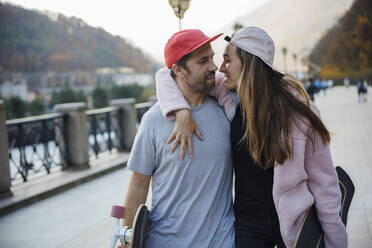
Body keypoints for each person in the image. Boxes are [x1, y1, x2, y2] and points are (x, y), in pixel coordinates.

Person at [156, 26, 347, 247]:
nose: (221, 68)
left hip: (295, 224)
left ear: (249, 65)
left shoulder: (300, 112)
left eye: (228, 61)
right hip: (248, 226)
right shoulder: (229, 97)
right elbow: (167, 73)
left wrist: (336, 242)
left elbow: (325, 183)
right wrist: (181, 111)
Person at [121, 29, 235, 248]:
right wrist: (126, 240)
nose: (213, 66)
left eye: (212, 57)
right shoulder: (153, 120)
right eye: (203, 61)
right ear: (179, 70)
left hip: (221, 242)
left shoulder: (226, 110)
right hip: (165, 242)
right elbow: (137, 187)